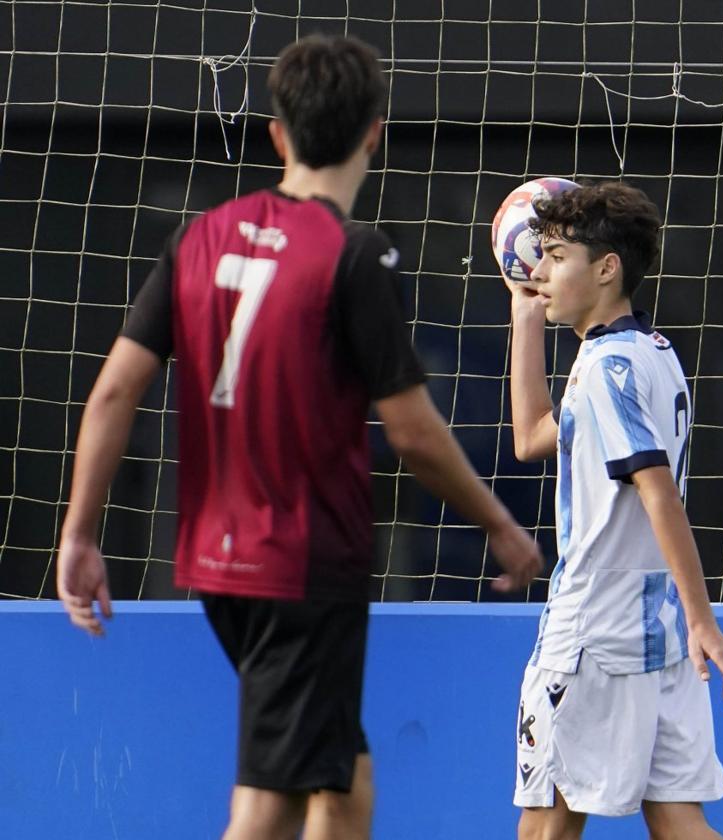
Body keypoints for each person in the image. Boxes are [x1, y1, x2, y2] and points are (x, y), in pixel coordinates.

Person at [56, 34, 542, 840]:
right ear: (373, 133)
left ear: (278, 135)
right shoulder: (354, 256)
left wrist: (78, 532)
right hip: (301, 566)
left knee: (339, 783)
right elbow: (414, 432)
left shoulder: (200, 237)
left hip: (216, 561)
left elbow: (113, 391)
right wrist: (499, 524)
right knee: (268, 806)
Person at [504, 181, 723, 839]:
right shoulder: (651, 353)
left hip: (594, 633)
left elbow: (658, 491)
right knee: (677, 822)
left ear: (607, 269)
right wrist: (526, 322)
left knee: (545, 824)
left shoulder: (607, 368)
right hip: (656, 634)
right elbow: (532, 438)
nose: (541, 271)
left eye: (556, 256)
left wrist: (705, 621)